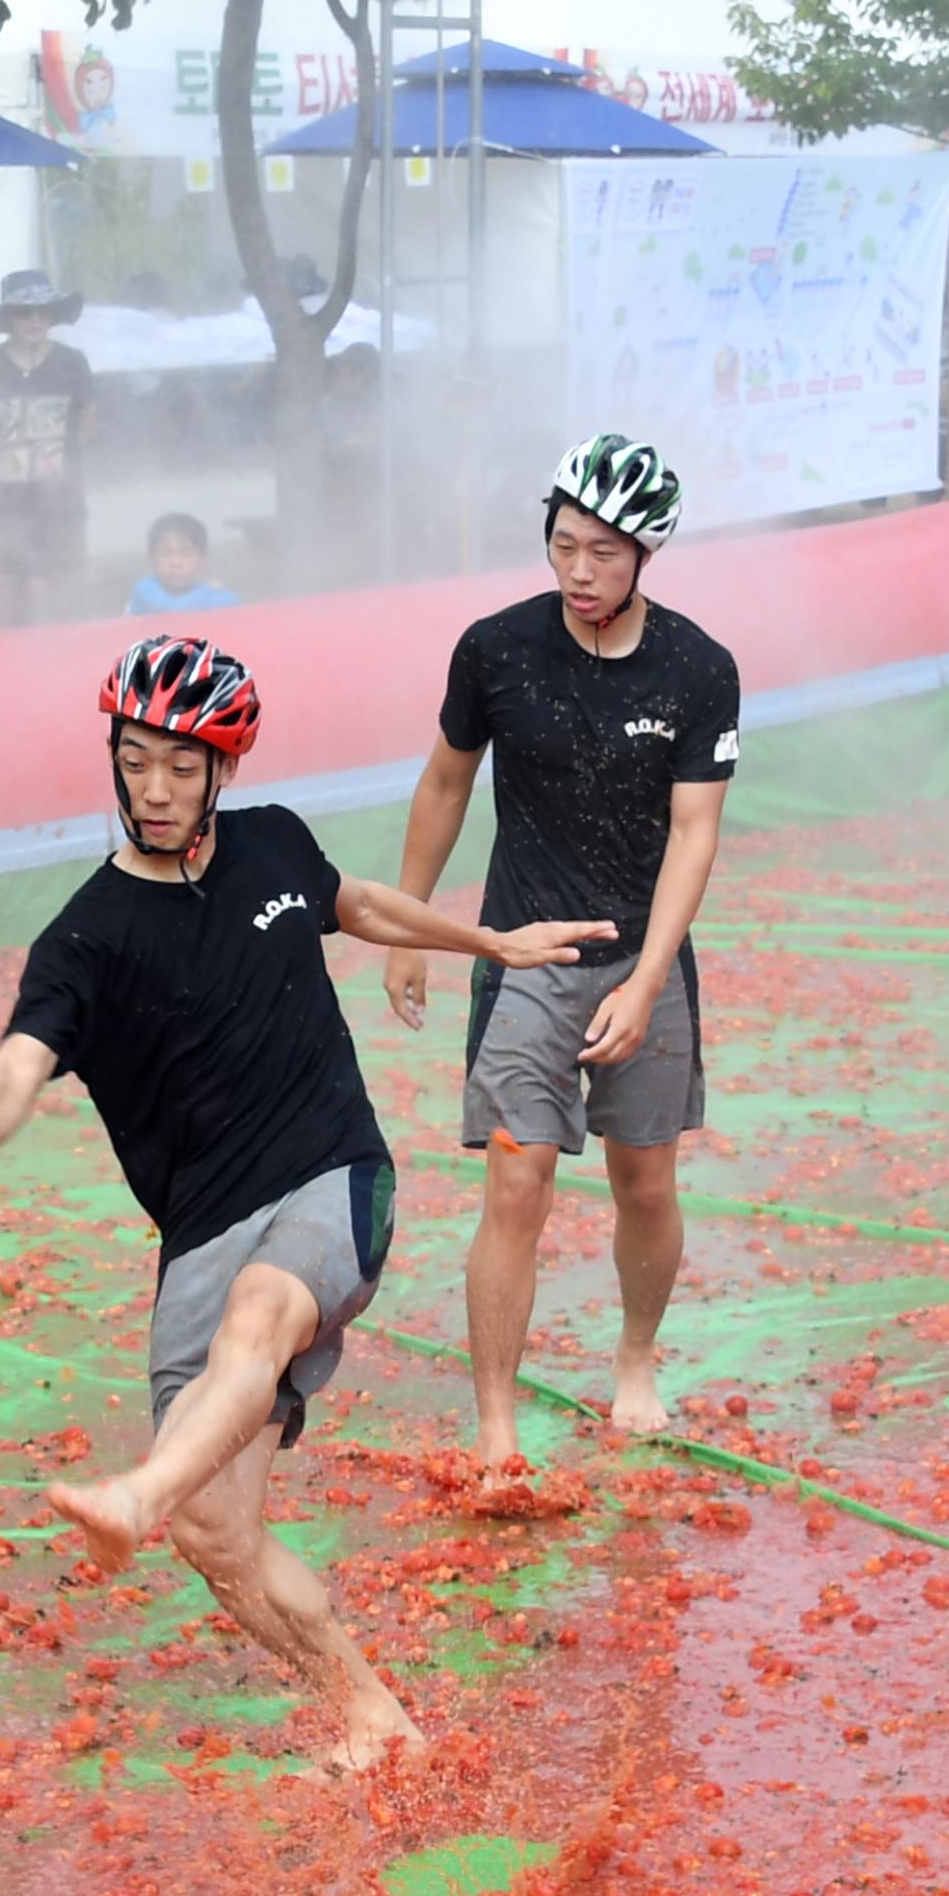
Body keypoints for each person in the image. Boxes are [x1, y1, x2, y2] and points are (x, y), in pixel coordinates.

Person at [0, 637, 611, 1769]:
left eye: (180, 765)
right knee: (221, 1532)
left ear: (221, 771)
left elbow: (359, 903)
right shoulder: (86, 937)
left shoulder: (275, 845)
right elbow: (24, 1050)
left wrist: (486, 938)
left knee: (259, 1320)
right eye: (136, 760)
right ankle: (370, 1714)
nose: (155, 787)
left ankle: (140, 1490)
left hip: (331, 1176)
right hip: (198, 1233)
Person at [385, 435, 737, 1458]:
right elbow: (445, 782)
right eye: (563, 544)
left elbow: (696, 834)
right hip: (523, 953)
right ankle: (496, 1420)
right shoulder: (496, 649)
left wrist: (653, 975)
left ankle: (635, 1353)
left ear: (646, 556)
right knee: (517, 1176)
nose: (579, 570)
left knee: (647, 1181)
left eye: (604, 553)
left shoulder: (698, 669)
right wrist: (411, 926)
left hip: (645, 956)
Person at [0, 270, 97, 626]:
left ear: (53, 314)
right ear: (9, 317)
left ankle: (69, 671)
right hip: (5, 505)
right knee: (2, 598)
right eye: (25, 312)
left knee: (66, 596)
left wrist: (55, 465)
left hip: (62, 503)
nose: (34, 320)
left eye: (42, 310)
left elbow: (87, 424)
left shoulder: (72, 363)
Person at [125, 511, 239, 614]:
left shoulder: (218, 597)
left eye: (186, 553)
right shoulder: (145, 590)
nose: (176, 562)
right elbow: (173, 608)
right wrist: (210, 593)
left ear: (202, 559)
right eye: (166, 553)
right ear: (152, 558)